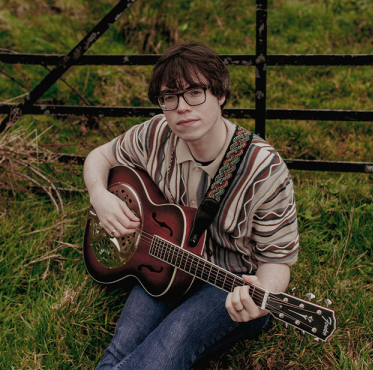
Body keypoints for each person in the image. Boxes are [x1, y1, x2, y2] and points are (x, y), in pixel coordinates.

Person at [83, 42, 299, 370]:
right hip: (163, 262)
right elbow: (99, 156)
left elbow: (277, 260)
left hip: (231, 282)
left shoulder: (264, 170)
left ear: (220, 95)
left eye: (195, 92)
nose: (182, 107)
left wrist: (261, 297)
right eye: (170, 97)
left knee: (170, 344)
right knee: (120, 349)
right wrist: (99, 195)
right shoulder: (156, 134)